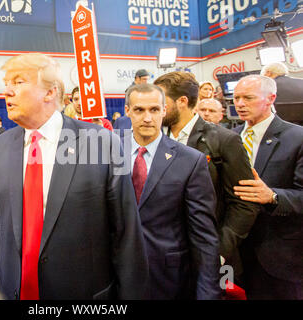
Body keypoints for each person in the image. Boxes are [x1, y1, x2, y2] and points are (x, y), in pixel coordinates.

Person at [0, 52, 149, 300]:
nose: (7, 91)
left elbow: (126, 234)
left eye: (18, 82)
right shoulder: (0, 145)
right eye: (6, 83)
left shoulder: (101, 142)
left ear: (50, 92)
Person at [154, 71, 260, 280]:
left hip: (209, 255)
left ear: (182, 101)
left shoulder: (224, 141)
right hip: (165, 255)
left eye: (161, 101)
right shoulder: (155, 138)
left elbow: (244, 203)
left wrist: (219, 251)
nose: (156, 108)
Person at [125, 83, 221, 299]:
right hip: (118, 276)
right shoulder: (109, 154)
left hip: (170, 278)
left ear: (164, 111)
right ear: (127, 111)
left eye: (154, 110)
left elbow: (204, 234)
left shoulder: (190, 160)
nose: (147, 118)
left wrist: (208, 293)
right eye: (139, 110)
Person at [232, 74, 303, 299]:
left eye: (248, 98)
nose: (240, 104)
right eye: (236, 98)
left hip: (279, 255)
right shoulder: (229, 138)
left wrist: (272, 196)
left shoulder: (297, 137)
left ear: (270, 98)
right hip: (237, 254)